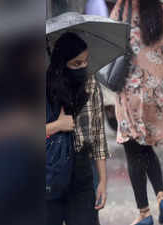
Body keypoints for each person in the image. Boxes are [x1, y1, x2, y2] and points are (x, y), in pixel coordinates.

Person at [110, 0, 163, 224]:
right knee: (146, 145)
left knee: (132, 149)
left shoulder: (124, 7)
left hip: (131, 87)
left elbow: (111, 41)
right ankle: (162, 196)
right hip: (156, 89)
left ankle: (144, 212)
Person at [46, 32, 109, 225]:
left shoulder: (91, 86)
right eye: (76, 63)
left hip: (82, 171)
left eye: (85, 62)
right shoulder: (46, 86)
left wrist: (103, 182)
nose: (82, 67)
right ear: (62, 63)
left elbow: (98, 137)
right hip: (49, 171)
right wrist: (57, 125)